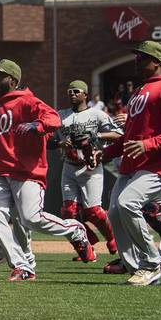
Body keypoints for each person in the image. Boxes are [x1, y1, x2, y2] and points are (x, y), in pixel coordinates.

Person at [0, 59, 94, 282]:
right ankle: (22, 265)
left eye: (0, 76)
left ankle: (75, 230)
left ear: (13, 81)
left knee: (30, 218)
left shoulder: (26, 101)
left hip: (27, 173)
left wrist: (38, 126)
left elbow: (52, 118)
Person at [101, 40, 161, 286]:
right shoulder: (140, 91)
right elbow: (130, 134)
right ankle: (136, 266)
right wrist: (107, 152)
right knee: (116, 213)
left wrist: (148, 144)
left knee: (128, 203)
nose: (138, 61)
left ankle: (151, 264)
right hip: (132, 165)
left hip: (158, 164)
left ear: (159, 62)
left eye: (143, 58)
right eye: (138, 57)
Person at [54, 80, 122, 258]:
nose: (72, 94)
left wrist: (96, 135)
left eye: (76, 91)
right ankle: (86, 246)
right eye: (69, 91)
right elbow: (48, 140)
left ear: (85, 94)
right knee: (68, 212)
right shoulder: (60, 115)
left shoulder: (97, 114)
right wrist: (61, 142)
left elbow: (118, 135)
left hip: (90, 167)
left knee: (93, 211)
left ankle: (112, 236)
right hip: (69, 166)